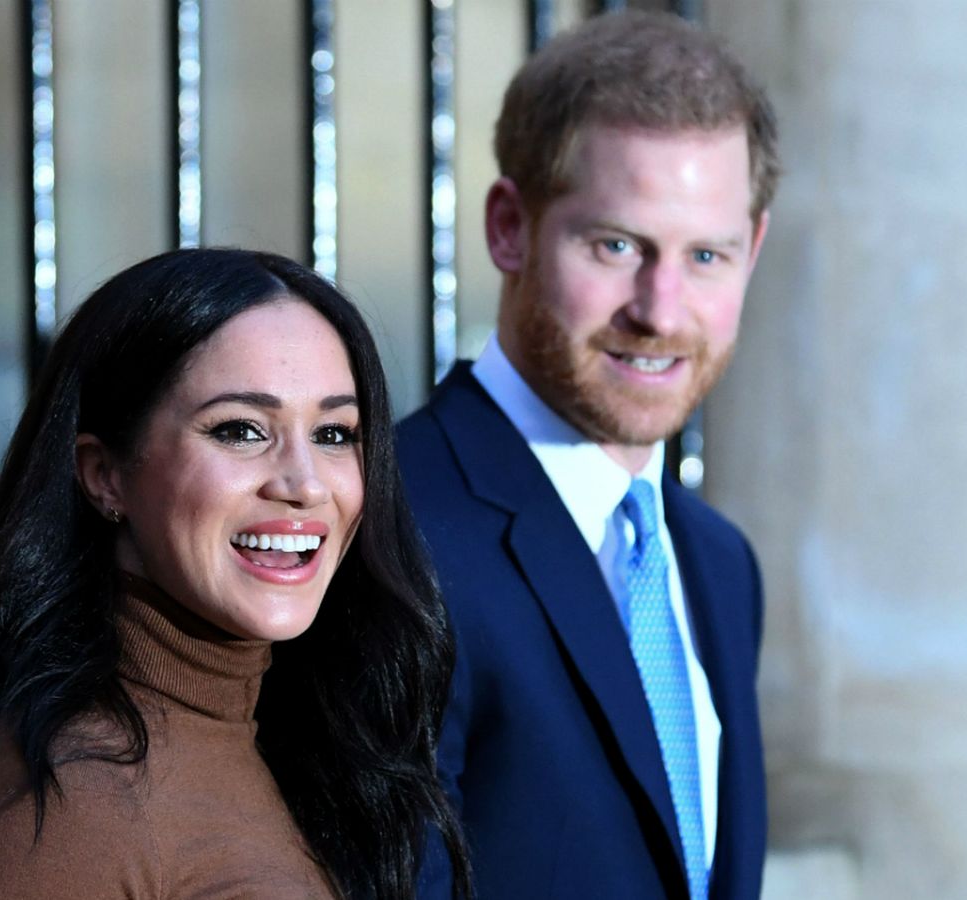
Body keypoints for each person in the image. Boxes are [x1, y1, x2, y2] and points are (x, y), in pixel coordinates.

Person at [0, 248, 469, 899]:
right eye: (241, 430)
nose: (304, 484)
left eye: (334, 434)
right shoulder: (68, 813)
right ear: (104, 474)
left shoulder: (285, 729)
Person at [401, 10, 779, 899]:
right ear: (508, 228)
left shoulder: (722, 565)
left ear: (753, 251)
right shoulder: (392, 528)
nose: (660, 307)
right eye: (617, 245)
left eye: (707, 255)